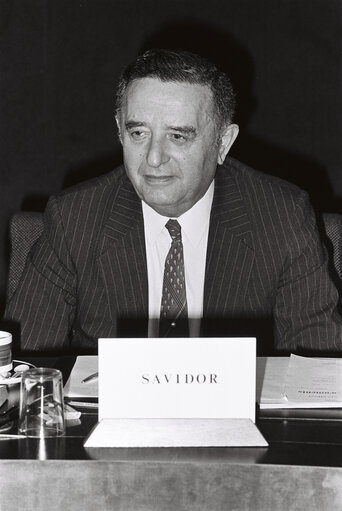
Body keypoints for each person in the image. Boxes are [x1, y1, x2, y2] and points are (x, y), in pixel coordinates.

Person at [5, 48, 342, 353]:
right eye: (138, 133)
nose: (153, 158)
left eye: (178, 136)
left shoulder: (282, 217)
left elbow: (315, 374)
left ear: (223, 142)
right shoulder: (74, 218)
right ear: (120, 131)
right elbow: (24, 364)